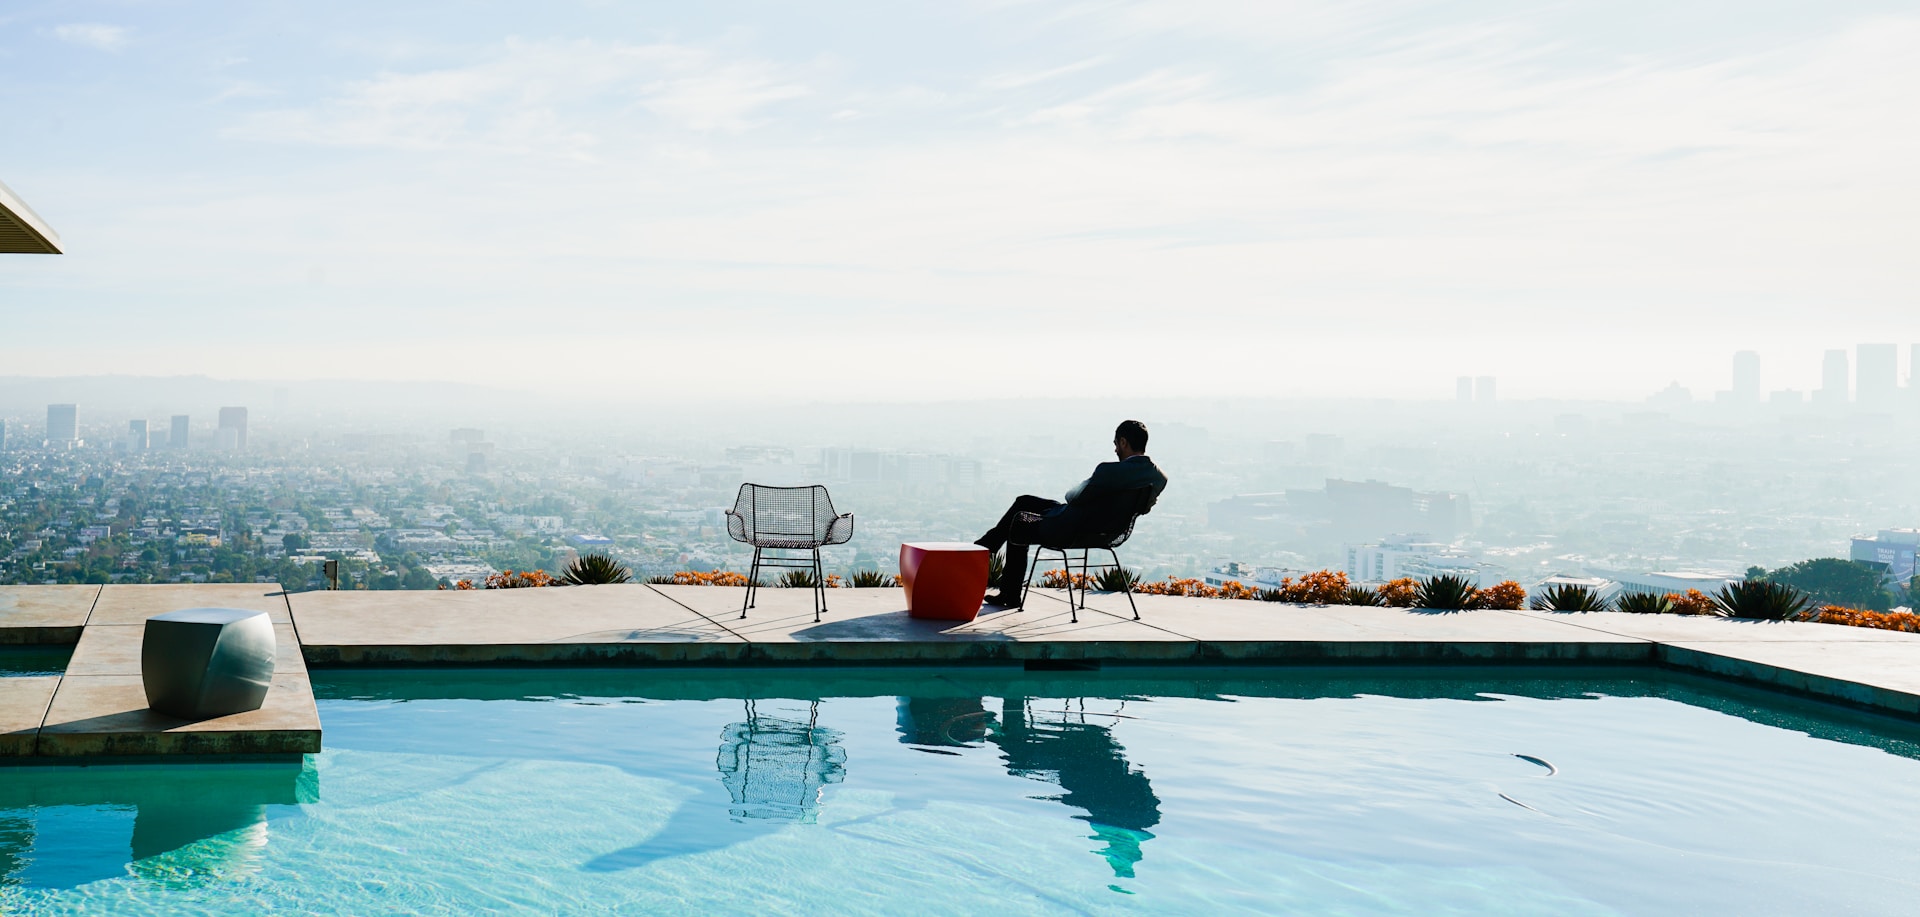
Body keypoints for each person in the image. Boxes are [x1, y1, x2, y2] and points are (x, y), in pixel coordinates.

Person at [974, 420, 1169, 608]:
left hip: (1068, 528)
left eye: (1116, 444)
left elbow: (1072, 497)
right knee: (1024, 501)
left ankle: (993, 567)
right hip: (1106, 533)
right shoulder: (1159, 478)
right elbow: (1143, 508)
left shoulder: (1108, 471)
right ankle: (987, 547)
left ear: (1123, 442)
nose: (1116, 449)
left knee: (1020, 522)